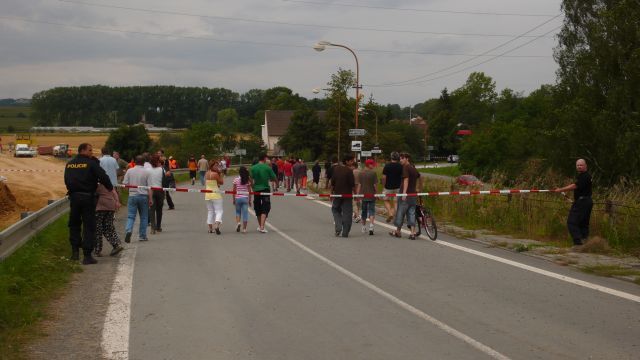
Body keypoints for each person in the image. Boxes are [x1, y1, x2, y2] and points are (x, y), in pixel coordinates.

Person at [64, 143, 113, 264]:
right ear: (83, 150)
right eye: (90, 150)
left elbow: (66, 180)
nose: (92, 152)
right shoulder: (91, 163)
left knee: (74, 224)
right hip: (87, 198)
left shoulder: (70, 163)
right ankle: (87, 256)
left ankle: (75, 253)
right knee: (89, 226)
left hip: (74, 197)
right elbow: (103, 176)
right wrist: (110, 188)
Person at [554, 159, 593, 247]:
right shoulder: (583, 176)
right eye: (578, 165)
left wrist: (560, 189)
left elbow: (574, 186)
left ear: (586, 166)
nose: (579, 166)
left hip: (582, 202)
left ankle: (578, 243)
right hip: (586, 201)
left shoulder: (585, 176)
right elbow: (578, 187)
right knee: (583, 223)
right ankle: (585, 243)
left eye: (581, 165)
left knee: (571, 222)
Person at [389, 153, 421, 240]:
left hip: (405, 195)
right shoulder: (413, 168)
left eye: (402, 159)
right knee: (411, 213)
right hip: (413, 194)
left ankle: (398, 232)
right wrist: (417, 188)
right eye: (400, 159)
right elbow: (419, 177)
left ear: (407, 159)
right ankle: (412, 233)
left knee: (400, 213)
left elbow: (406, 180)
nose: (400, 160)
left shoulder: (406, 168)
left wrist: (404, 193)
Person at [122, 155, 152, 243]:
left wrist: (129, 191)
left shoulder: (130, 171)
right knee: (144, 217)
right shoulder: (147, 172)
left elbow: (125, 184)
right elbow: (149, 187)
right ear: (143, 163)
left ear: (135, 162)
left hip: (132, 195)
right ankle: (142, 236)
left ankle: (128, 230)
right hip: (143, 196)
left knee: (131, 216)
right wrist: (150, 199)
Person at [330, 154, 356, 237]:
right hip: (347, 195)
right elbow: (352, 184)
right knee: (347, 213)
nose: (353, 162)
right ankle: (345, 232)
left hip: (337, 194)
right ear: (347, 161)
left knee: (335, 209)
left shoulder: (336, 169)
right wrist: (355, 194)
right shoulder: (349, 171)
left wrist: (331, 194)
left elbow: (332, 183)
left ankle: (338, 227)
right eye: (351, 160)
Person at [94, 182, 123, 257]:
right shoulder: (109, 182)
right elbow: (114, 192)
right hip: (111, 206)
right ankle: (116, 245)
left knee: (98, 229)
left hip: (100, 207)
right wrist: (117, 202)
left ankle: (97, 250)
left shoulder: (96, 183)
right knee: (108, 228)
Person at [250, 154, 277, 233]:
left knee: (257, 206)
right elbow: (274, 177)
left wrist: (253, 187)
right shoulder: (267, 167)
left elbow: (250, 178)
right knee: (266, 206)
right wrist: (277, 184)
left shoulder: (253, 168)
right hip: (265, 189)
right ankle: (262, 226)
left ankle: (260, 226)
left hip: (256, 190)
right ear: (265, 159)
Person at [358, 159, 378, 235]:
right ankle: (371, 226)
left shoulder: (361, 173)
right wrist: (377, 193)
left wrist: (357, 194)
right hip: (372, 194)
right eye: (372, 164)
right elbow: (375, 185)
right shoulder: (373, 173)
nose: (373, 166)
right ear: (368, 164)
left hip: (363, 195)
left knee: (364, 211)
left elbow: (359, 185)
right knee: (372, 210)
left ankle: (363, 227)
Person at [382, 151, 403, 223]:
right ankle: (396, 216)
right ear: (398, 158)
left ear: (391, 157)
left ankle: (390, 213)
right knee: (396, 202)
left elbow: (384, 177)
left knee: (385, 200)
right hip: (398, 186)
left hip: (388, 187)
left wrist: (383, 185)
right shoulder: (400, 166)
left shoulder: (387, 166)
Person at [205, 159, 224, 234]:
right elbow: (221, 182)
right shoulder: (215, 174)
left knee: (210, 211)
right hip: (216, 194)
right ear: (212, 166)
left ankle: (210, 229)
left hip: (207, 194)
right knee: (219, 211)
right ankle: (216, 225)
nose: (217, 167)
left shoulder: (207, 173)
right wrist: (221, 175)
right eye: (216, 165)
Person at [148, 154, 165, 234]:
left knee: (152, 209)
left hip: (151, 190)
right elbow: (164, 180)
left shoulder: (148, 170)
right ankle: (158, 226)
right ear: (158, 161)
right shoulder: (162, 169)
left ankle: (152, 228)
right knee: (159, 209)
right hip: (160, 190)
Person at [233, 166, 252, 233]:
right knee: (245, 214)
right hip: (245, 198)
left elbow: (234, 190)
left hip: (238, 198)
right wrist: (249, 200)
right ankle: (244, 229)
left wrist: (233, 199)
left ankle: (238, 223)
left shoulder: (236, 180)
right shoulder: (247, 180)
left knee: (238, 212)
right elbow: (249, 191)